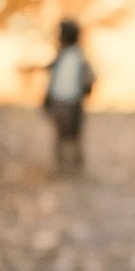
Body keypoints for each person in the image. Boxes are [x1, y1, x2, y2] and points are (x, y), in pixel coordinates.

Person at [44, 18, 94, 174]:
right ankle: (64, 166)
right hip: (63, 101)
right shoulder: (66, 56)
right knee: (63, 135)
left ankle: (73, 166)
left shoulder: (76, 57)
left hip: (71, 102)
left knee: (72, 135)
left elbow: (89, 78)